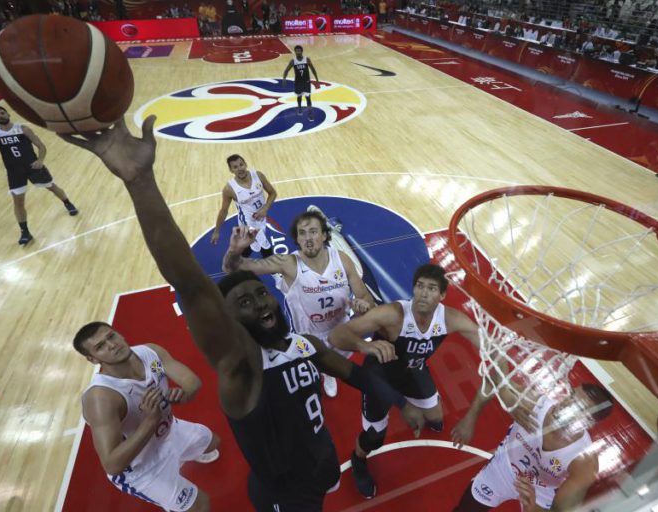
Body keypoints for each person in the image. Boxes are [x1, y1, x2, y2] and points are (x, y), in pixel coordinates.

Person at [59, 117, 423, 511]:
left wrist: (402, 403)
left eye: (260, 296)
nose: (261, 303)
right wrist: (139, 181)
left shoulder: (302, 344)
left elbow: (355, 374)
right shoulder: (241, 369)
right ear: (230, 321)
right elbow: (190, 282)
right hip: (286, 493)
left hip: (323, 461)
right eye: (244, 304)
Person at [327, 264, 484, 499]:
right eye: (420, 286)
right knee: (374, 438)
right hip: (380, 378)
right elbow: (335, 335)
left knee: (436, 417)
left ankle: (421, 406)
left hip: (413, 371)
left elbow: (492, 355)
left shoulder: (451, 319)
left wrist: (472, 416)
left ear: (442, 296)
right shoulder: (393, 314)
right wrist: (366, 346)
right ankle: (358, 459)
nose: (423, 293)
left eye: (431, 288)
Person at [223, 209, 376, 398]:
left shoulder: (342, 260)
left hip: (341, 332)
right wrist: (235, 250)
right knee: (309, 371)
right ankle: (320, 371)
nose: (308, 238)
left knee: (343, 369)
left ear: (324, 235)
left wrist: (364, 306)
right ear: (297, 239)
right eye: (302, 233)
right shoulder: (288, 262)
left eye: (313, 231)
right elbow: (231, 267)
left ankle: (328, 373)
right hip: (309, 336)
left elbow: (366, 297)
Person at [76, 322, 221, 511]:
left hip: (168, 431)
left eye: (111, 336)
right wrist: (151, 421)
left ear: (119, 334)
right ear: (92, 359)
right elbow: (112, 464)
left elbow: (193, 383)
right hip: (140, 467)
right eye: (100, 347)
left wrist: (183, 395)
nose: (112, 345)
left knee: (213, 442)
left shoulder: (150, 352)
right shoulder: (101, 398)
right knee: (201, 506)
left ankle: (180, 457)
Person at [452, 383, 614, 512]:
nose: (566, 404)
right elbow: (492, 381)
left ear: (589, 423)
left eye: (578, 407)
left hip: (541, 490)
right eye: (571, 395)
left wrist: (534, 509)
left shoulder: (584, 461)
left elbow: (561, 510)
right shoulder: (535, 404)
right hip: (505, 467)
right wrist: (470, 418)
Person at [0, 106, 78, 245]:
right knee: (18, 201)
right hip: (14, 171)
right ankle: (25, 232)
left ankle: (68, 203)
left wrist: (40, 160)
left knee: (51, 186)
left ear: (8, 114)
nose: (0, 115)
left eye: (2, 113)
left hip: (32, 167)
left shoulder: (23, 129)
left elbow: (41, 146)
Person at [210, 154, 277, 259]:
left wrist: (265, 208)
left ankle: (235, 261)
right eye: (235, 167)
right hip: (247, 222)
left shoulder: (258, 175)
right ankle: (275, 272)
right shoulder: (229, 189)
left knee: (253, 246)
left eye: (241, 165)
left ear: (245, 164)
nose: (239, 168)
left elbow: (273, 193)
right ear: (231, 170)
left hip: (261, 217)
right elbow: (223, 211)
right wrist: (217, 231)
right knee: (264, 244)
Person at [282, 45, 320, 121]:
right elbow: (286, 70)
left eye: (299, 50)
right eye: (296, 51)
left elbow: (313, 69)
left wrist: (317, 80)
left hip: (306, 81)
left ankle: (310, 113)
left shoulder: (307, 59)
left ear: (302, 51)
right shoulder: (293, 61)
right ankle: (299, 107)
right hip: (298, 82)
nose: (298, 52)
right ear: (295, 52)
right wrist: (284, 79)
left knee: (308, 98)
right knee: (299, 96)